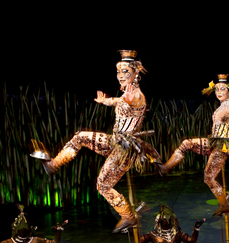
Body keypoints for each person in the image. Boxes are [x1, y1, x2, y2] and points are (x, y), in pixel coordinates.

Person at [34, 50, 161, 233]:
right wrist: (104, 101)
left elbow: (135, 102)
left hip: (125, 150)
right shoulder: (126, 94)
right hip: (114, 141)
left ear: (136, 74)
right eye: (118, 72)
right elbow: (117, 101)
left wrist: (130, 101)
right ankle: (53, 165)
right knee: (80, 136)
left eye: (125, 72)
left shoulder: (137, 95)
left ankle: (128, 216)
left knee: (103, 185)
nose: (120, 76)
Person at [158, 74, 229, 216]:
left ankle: (224, 205)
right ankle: (166, 168)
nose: (219, 92)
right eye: (217, 89)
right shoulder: (222, 105)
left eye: (223, 89)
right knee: (186, 144)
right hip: (214, 142)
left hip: (221, 146)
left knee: (208, 177)